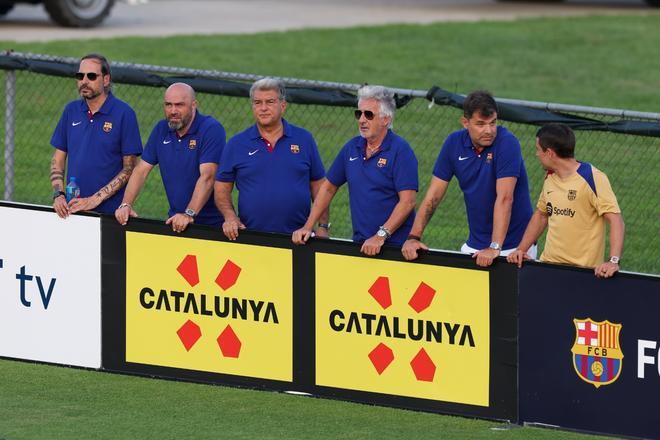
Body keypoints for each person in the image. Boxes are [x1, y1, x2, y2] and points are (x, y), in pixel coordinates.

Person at [401, 90, 534, 267]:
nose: (488, 130)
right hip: (475, 244)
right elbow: (433, 196)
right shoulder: (453, 143)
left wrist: (495, 247)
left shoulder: (507, 143)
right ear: (465, 123)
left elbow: (505, 198)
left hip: (514, 247)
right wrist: (413, 237)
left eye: (493, 123)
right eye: (480, 124)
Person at [292, 85, 418, 256]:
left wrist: (380, 236)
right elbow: (328, 188)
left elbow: (408, 202)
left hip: (396, 248)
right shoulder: (352, 148)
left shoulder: (401, 151)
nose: (361, 120)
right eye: (359, 114)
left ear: (386, 119)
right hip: (360, 244)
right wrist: (309, 226)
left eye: (369, 114)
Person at [214, 78, 328, 239]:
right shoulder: (236, 144)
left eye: (270, 102)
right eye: (257, 103)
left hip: (299, 238)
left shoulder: (304, 139)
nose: (263, 108)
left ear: (283, 106)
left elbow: (320, 187)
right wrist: (230, 217)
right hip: (250, 236)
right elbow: (221, 188)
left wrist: (322, 227)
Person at [507, 123, 624, 278]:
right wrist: (521, 249)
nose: (537, 154)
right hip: (548, 266)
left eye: (538, 149)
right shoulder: (550, 176)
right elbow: (542, 215)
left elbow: (616, 220)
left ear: (549, 153)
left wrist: (613, 261)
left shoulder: (592, 177)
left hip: (582, 272)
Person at [115, 83, 226, 232]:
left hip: (212, 225)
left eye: (179, 105)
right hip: (175, 221)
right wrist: (125, 205)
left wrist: (189, 214)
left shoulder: (211, 129)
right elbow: (141, 170)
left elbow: (208, 177)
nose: (173, 111)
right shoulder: (161, 129)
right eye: (168, 105)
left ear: (193, 105)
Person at [50, 53, 142, 218]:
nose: (84, 81)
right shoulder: (71, 111)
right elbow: (58, 159)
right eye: (80, 76)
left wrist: (94, 200)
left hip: (109, 214)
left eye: (91, 76)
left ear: (106, 80)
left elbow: (129, 169)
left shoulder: (124, 114)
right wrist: (59, 195)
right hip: (72, 211)